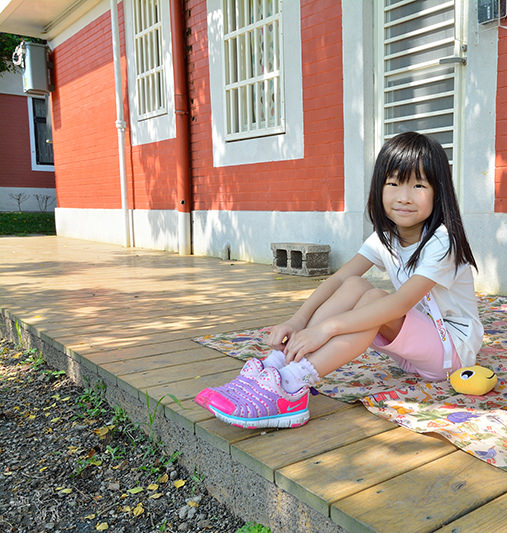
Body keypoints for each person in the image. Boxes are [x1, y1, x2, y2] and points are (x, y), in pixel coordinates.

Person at [195, 132, 483, 429]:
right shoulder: (386, 237)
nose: (404, 197)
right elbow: (340, 279)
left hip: (451, 354)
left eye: (419, 185)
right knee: (355, 286)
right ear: (379, 187)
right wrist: (298, 322)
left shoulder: (441, 241)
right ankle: (277, 365)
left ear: (439, 193)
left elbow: (399, 304)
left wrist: (324, 329)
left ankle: (293, 386)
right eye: (394, 183)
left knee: (376, 299)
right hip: (412, 349)